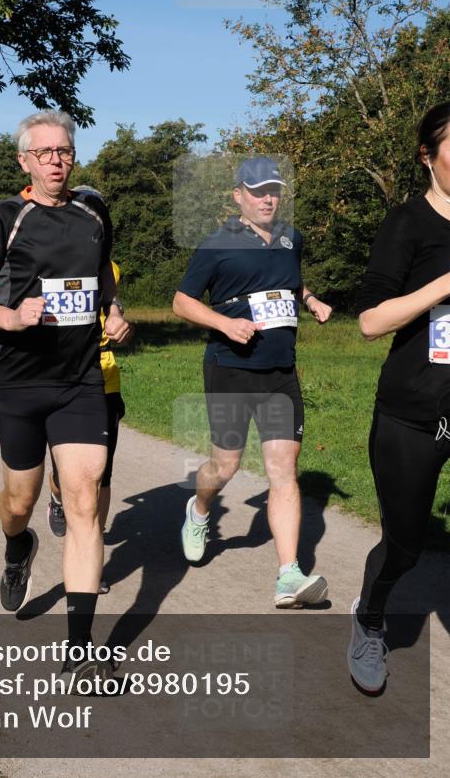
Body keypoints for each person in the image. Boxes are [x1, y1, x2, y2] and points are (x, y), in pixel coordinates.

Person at [0, 110, 131, 676]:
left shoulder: (93, 212)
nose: (57, 161)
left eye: (65, 151)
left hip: (81, 379)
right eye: (46, 153)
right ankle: (16, 547)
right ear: (25, 161)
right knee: (20, 503)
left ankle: (80, 649)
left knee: (84, 502)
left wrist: (115, 311)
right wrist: (10, 318)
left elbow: (103, 275)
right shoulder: (5, 218)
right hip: (19, 380)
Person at [173, 155, 332, 608]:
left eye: (274, 190)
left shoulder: (290, 238)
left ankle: (289, 575)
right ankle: (199, 509)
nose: (268, 198)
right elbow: (182, 302)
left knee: (284, 471)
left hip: (281, 372)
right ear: (238, 195)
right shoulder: (216, 244)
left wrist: (313, 300)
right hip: (231, 369)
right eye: (258, 191)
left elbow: (290, 284)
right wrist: (224, 325)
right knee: (225, 467)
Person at [348, 102, 450, 693]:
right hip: (413, 412)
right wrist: (443, 283)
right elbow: (369, 321)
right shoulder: (407, 223)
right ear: (427, 156)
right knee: (406, 546)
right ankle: (369, 618)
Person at [47, 256, 131, 597]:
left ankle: (91, 557)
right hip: (58, 380)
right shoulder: (46, 257)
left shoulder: (110, 267)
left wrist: (118, 315)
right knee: (63, 476)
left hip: (104, 379)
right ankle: (56, 498)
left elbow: (112, 302)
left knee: (102, 476)